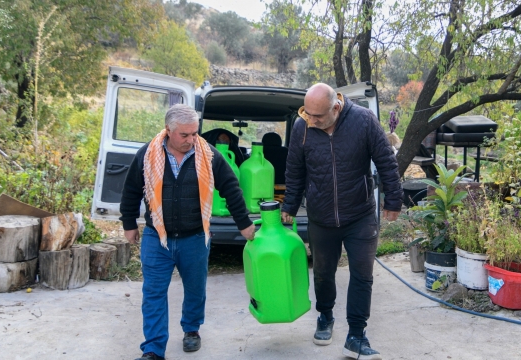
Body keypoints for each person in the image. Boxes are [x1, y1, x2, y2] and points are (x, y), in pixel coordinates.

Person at [120, 104, 255, 360]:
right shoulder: (147, 154)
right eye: (185, 135)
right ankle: (153, 349)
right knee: (153, 293)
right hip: (156, 237)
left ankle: (192, 330)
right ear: (169, 130)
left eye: (195, 133)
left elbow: (231, 188)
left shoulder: (208, 154)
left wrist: (244, 223)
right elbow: (131, 190)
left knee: (195, 289)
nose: (192, 140)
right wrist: (128, 223)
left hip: (194, 237)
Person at [281, 83, 403, 360]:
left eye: (318, 116)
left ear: (336, 107)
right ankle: (325, 315)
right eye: (307, 114)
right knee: (323, 272)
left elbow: (386, 161)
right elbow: (295, 169)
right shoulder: (302, 126)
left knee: (362, 275)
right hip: (321, 216)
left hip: (359, 214)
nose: (312, 121)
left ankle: (356, 335)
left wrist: (394, 200)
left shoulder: (363, 121)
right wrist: (289, 204)